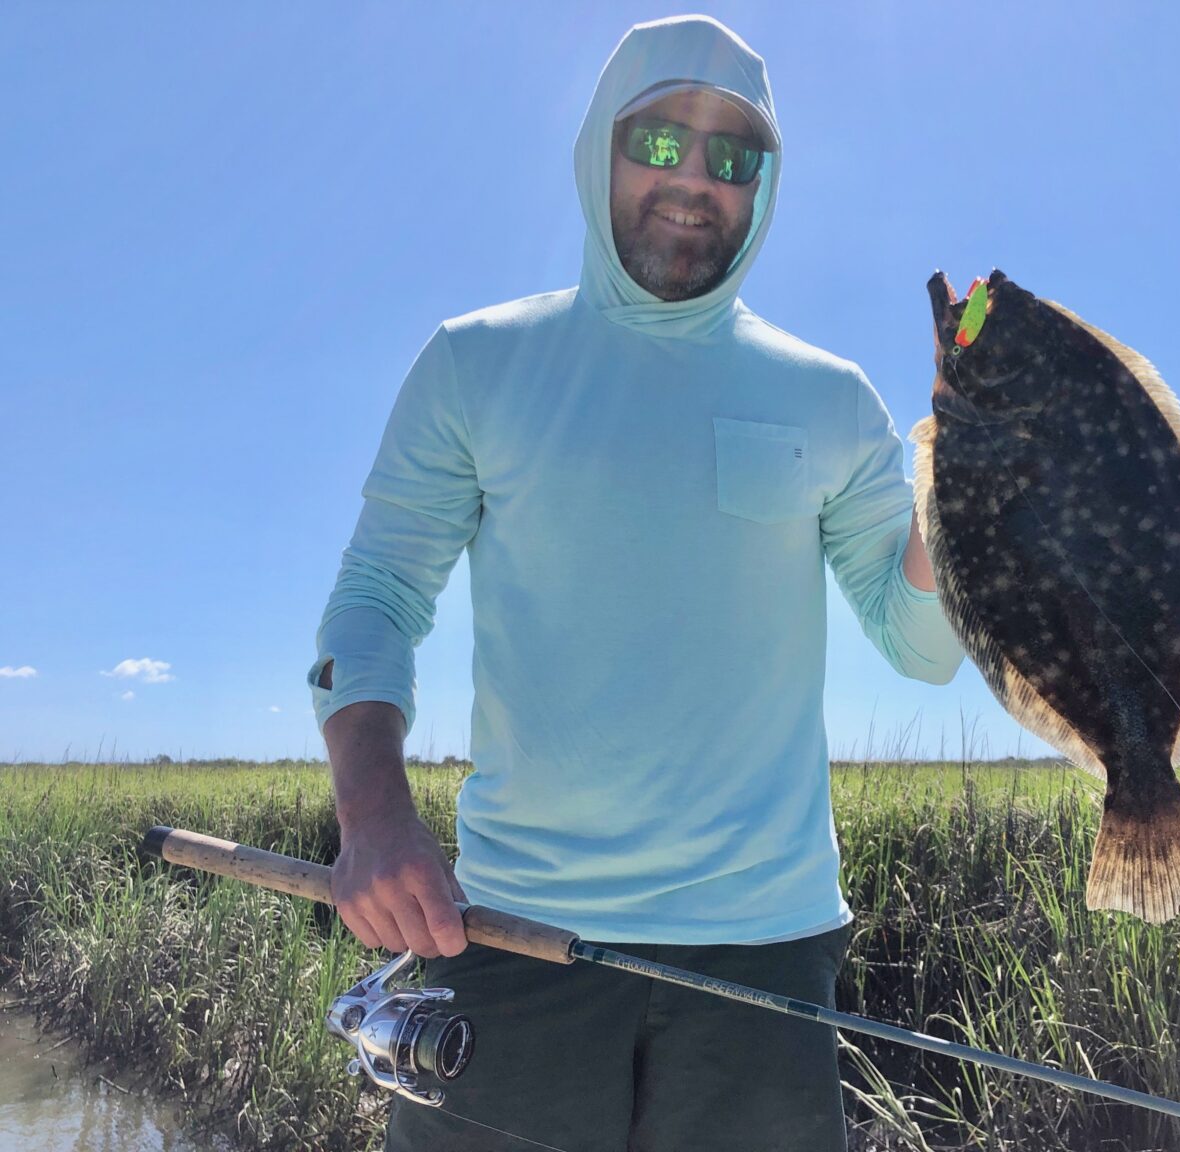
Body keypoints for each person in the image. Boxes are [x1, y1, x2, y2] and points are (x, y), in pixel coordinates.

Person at [307, 14, 964, 1151]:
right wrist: (372, 814)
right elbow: (377, 595)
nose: (695, 181)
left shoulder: (833, 397)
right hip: (511, 935)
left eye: (734, 157)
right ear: (595, 150)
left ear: (765, 184)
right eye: (658, 143)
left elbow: (920, 643)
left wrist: (961, 480)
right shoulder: (475, 362)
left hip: (768, 947)